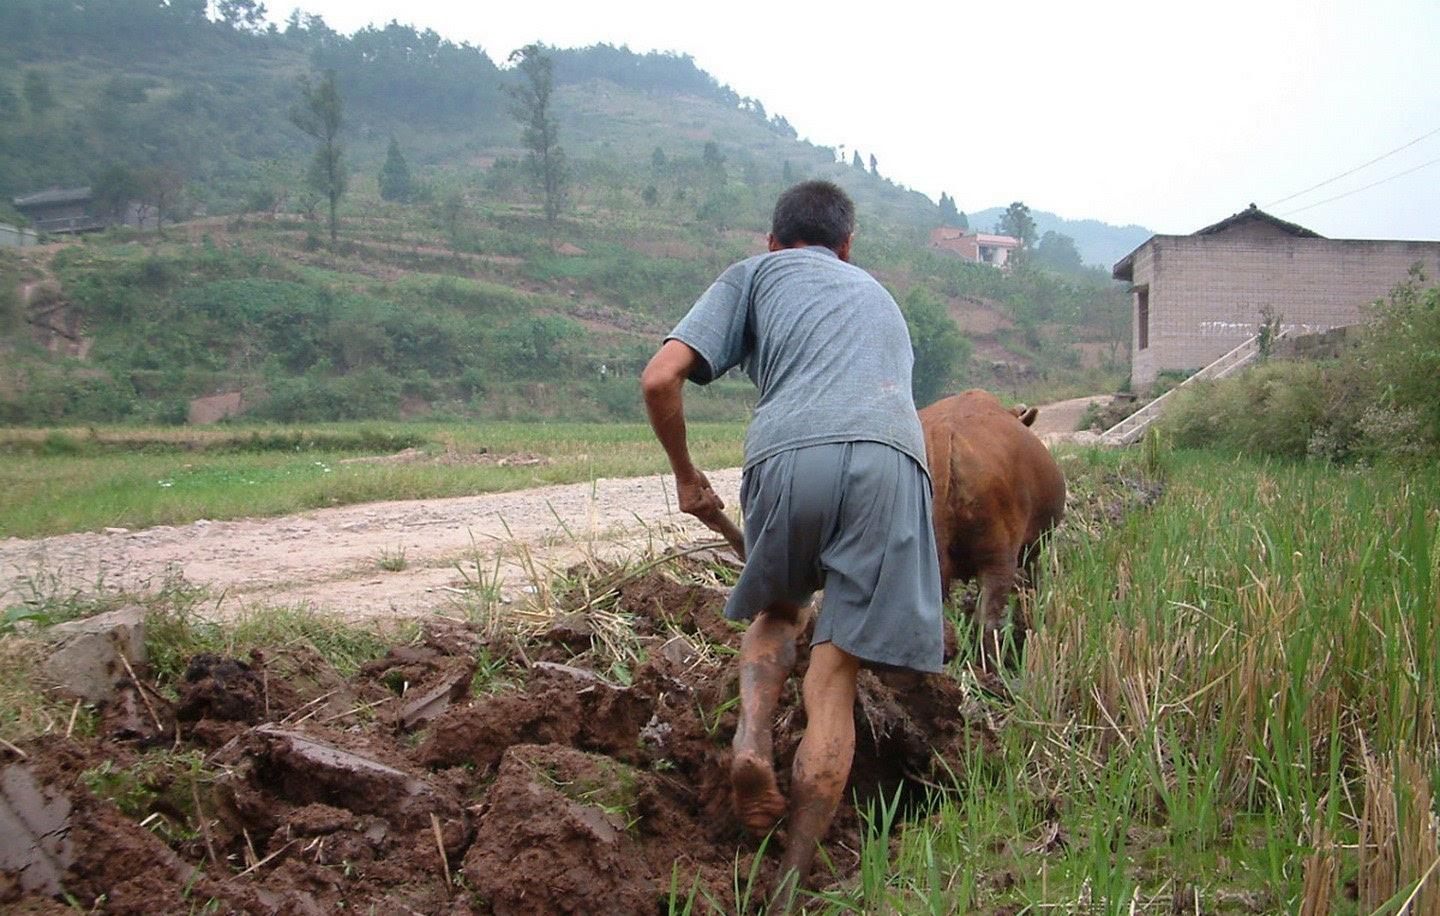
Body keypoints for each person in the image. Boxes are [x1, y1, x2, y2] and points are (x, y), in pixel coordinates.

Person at [640, 180, 944, 893]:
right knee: (834, 677)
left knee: (779, 611)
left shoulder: (754, 274)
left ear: (773, 242)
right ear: (847, 247)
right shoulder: (879, 296)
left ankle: (751, 740)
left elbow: (660, 380)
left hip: (787, 451)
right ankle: (791, 882)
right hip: (891, 458)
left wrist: (687, 476)